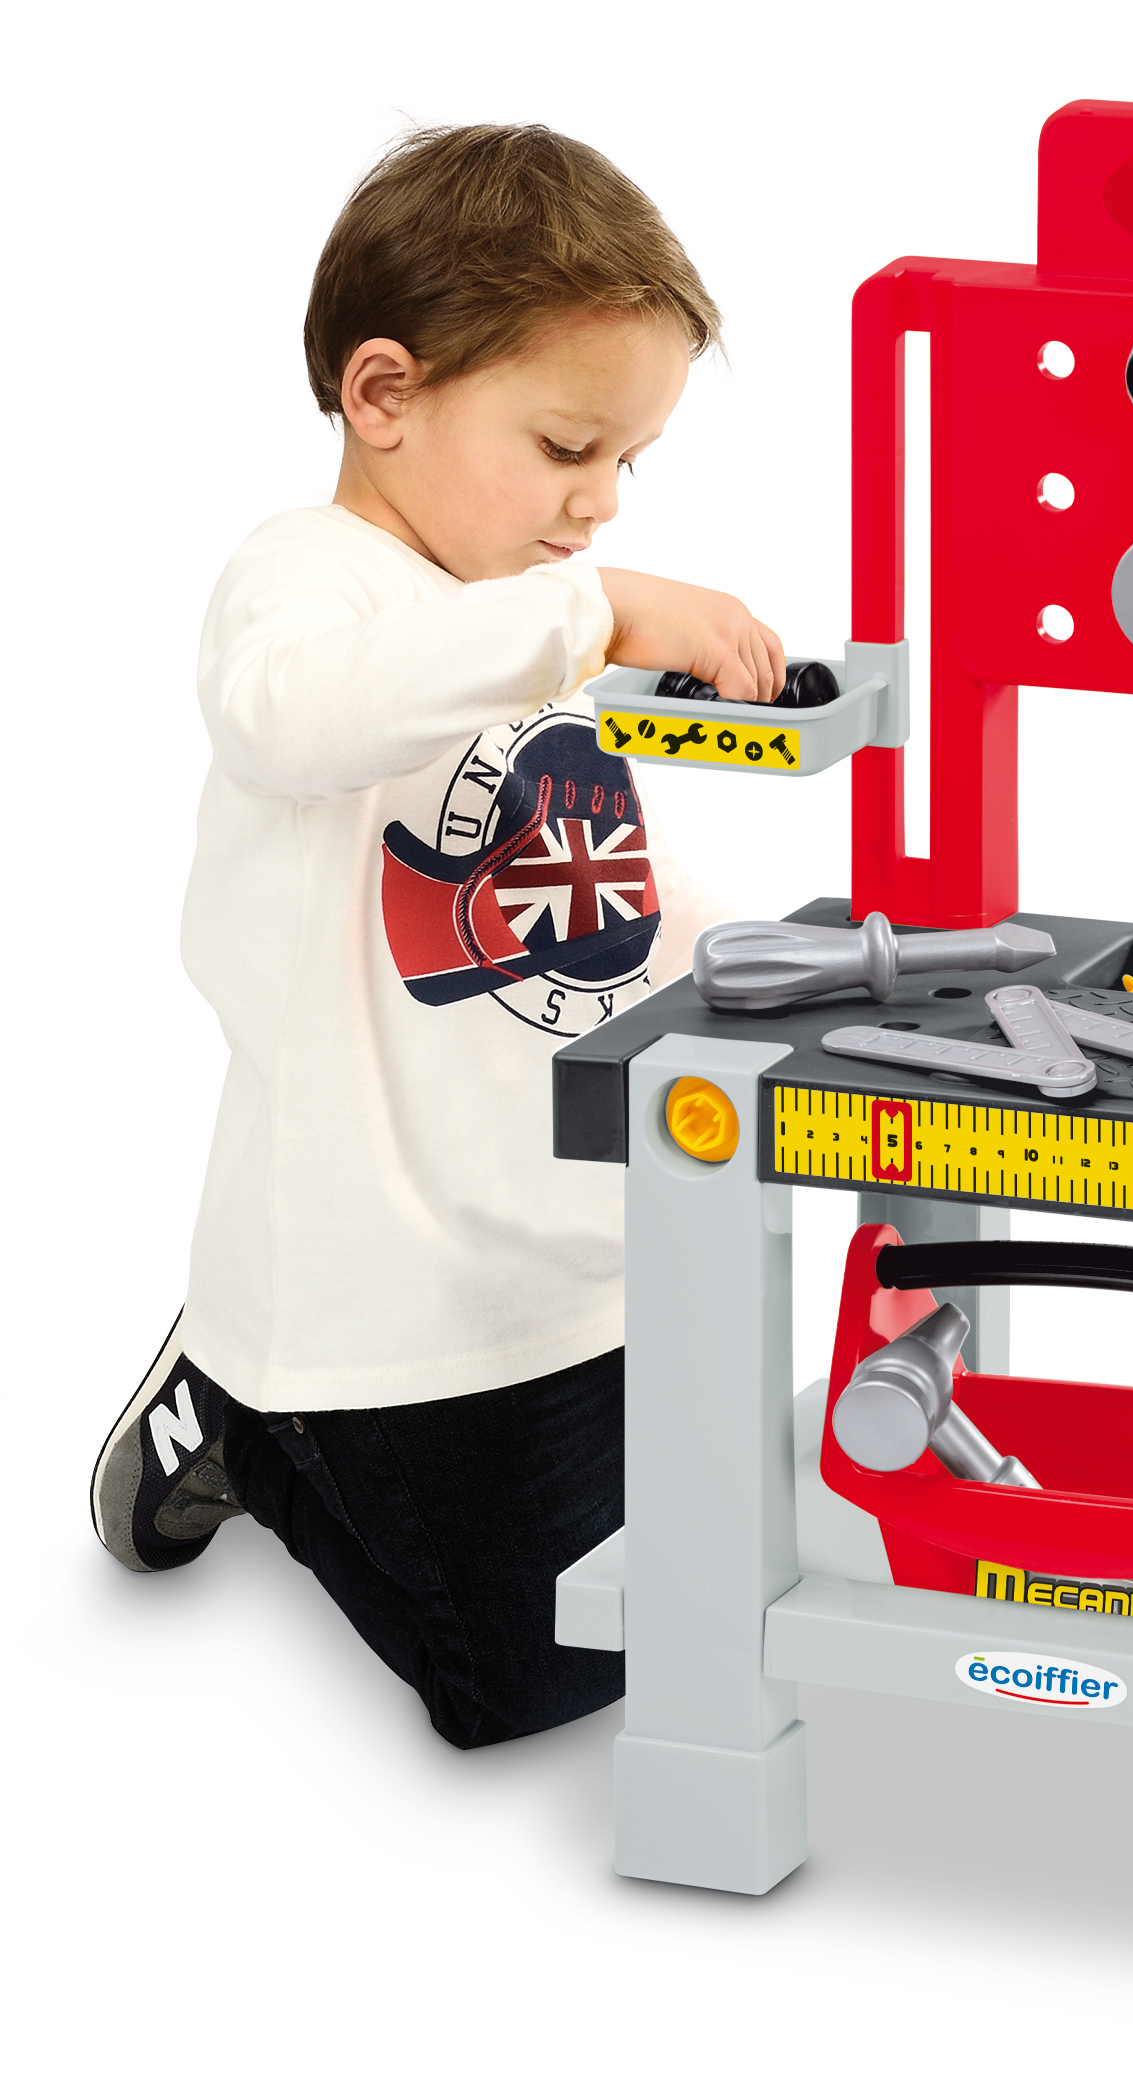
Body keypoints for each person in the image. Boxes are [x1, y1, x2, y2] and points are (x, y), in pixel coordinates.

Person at [89, 124, 779, 1748]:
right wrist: (592, 612)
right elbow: (294, 716)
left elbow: (606, 890)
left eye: (629, 462)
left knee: (697, 1596)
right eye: (566, 445)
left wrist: (769, 975)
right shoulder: (311, 585)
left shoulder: (522, 626)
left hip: (571, 1242)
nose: (599, 503)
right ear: (384, 395)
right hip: (382, 1277)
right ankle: (243, 1419)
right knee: (529, 1682)